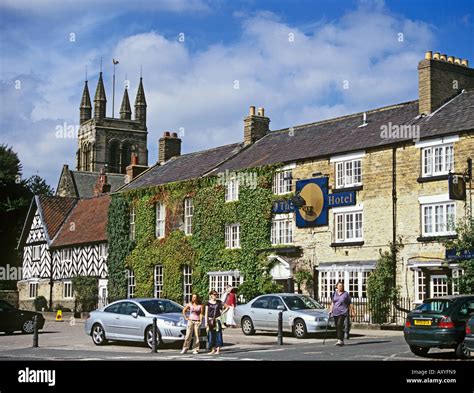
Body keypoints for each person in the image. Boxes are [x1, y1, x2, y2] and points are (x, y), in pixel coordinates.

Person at [328, 281, 355, 346]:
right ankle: (340, 339)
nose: (341, 287)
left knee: (339, 324)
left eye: (342, 286)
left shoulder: (345, 294)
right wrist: (330, 310)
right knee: (337, 326)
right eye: (339, 286)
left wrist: (353, 311)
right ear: (336, 287)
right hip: (335, 312)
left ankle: (340, 340)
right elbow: (332, 302)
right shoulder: (334, 293)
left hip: (343, 311)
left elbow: (350, 303)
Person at [205, 290, 230, 355]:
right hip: (210, 321)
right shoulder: (208, 303)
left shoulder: (219, 302)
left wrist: (222, 312)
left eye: (216, 294)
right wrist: (206, 322)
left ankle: (218, 350)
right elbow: (206, 313)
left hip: (217, 320)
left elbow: (228, 307)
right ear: (210, 295)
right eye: (214, 294)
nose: (216, 295)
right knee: (211, 335)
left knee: (218, 334)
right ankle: (213, 349)